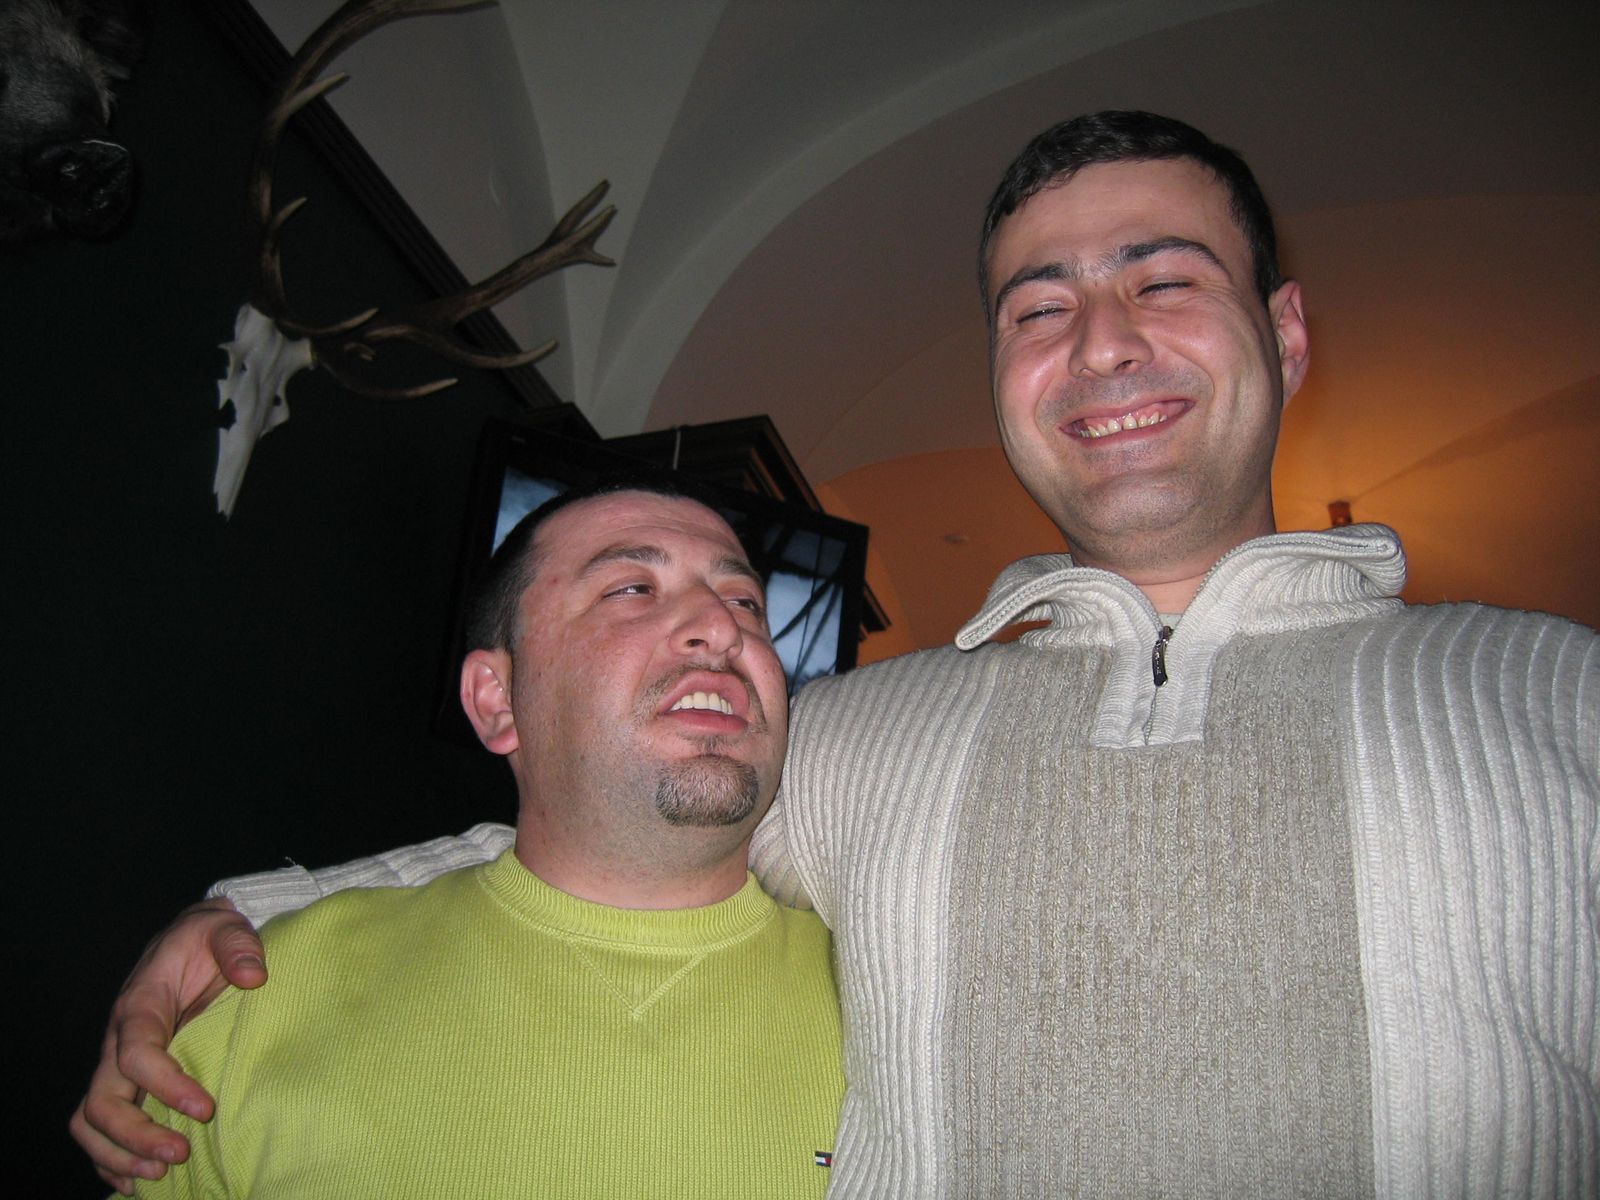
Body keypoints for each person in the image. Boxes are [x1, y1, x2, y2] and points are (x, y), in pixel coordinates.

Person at [76, 111, 1597, 1197]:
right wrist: (257, 915)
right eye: (1038, 307)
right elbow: (603, 824)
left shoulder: (1561, 697)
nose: (1101, 341)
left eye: (1164, 278)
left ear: (1287, 332)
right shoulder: (857, 736)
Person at [82, 478, 845, 1197]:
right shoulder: (256, 995)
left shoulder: (884, 998)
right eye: (631, 589)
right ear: (497, 700)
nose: (722, 626)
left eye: (745, 601)